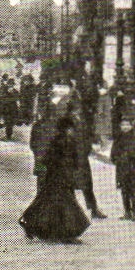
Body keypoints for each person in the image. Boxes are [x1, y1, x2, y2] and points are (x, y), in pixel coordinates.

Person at [18, 102, 89, 241]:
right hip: (50, 166)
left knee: (45, 194)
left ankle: (46, 225)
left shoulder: (47, 127)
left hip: (48, 166)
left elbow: (34, 145)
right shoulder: (49, 128)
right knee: (46, 195)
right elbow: (37, 145)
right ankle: (45, 225)